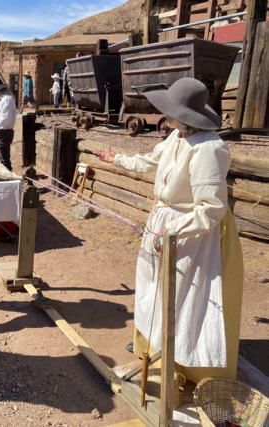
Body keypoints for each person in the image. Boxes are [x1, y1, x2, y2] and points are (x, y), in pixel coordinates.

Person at [95, 78, 243, 384]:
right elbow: (152, 159)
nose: (166, 116)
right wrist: (118, 159)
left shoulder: (210, 149)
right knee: (155, 286)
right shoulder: (177, 136)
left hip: (193, 234)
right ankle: (155, 345)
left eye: (171, 111)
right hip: (164, 225)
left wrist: (172, 232)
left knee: (188, 296)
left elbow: (211, 208)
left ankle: (189, 364)